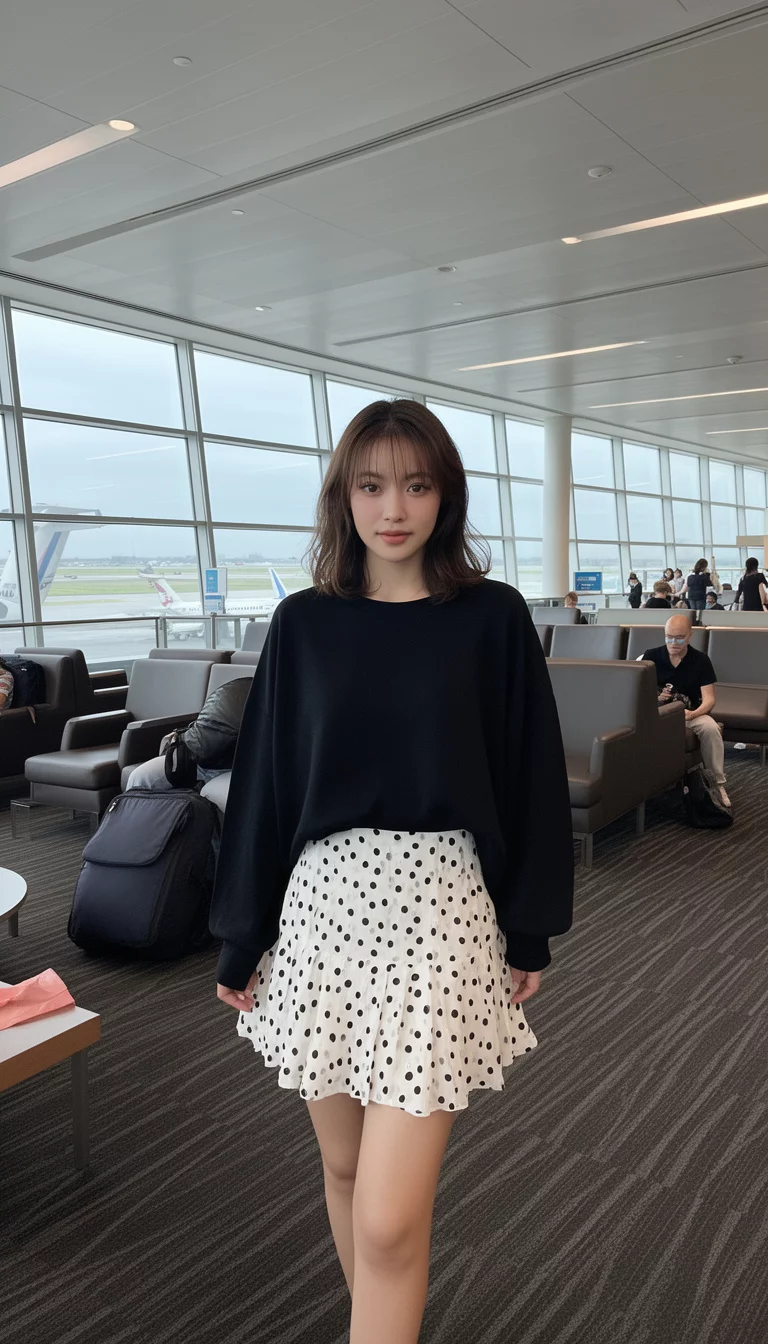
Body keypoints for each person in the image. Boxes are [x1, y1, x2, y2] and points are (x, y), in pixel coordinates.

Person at [209, 399, 574, 1343]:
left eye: (416, 483)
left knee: (388, 1214)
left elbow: (529, 775)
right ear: (345, 497)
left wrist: (528, 925)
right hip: (322, 913)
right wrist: (241, 936)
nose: (394, 507)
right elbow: (268, 786)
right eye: (372, 485)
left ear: (445, 494)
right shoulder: (304, 626)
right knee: (344, 1175)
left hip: (440, 913)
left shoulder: (491, 619)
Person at [642, 614, 729, 808]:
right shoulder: (651, 656)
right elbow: (637, 692)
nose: (673, 642)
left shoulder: (701, 660)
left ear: (690, 636)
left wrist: (694, 714)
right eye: (669, 637)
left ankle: (718, 783)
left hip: (690, 714)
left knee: (711, 728)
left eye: (679, 637)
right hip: (660, 716)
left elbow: (709, 700)